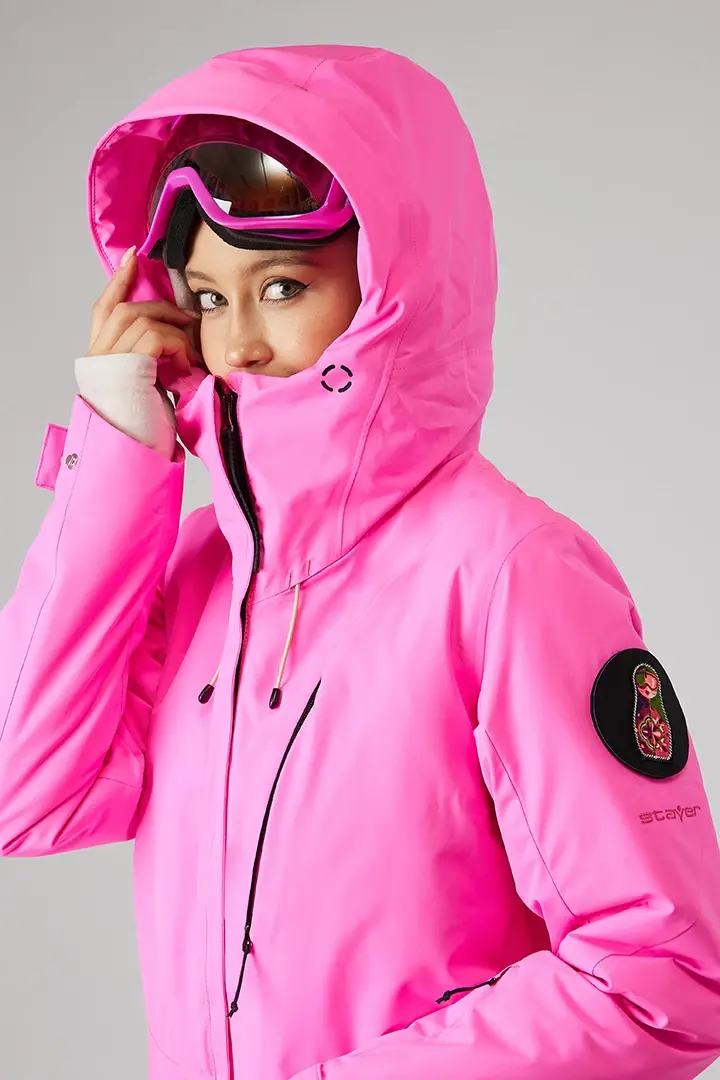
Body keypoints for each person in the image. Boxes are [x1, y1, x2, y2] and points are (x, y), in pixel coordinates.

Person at [0, 43, 719, 1080]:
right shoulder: (202, 572)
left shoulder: (509, 573)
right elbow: (27, 794)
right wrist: (116, 443)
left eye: (283, 286)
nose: (237, 347)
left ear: (391, 290)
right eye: (208, 299)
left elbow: (666, 978)